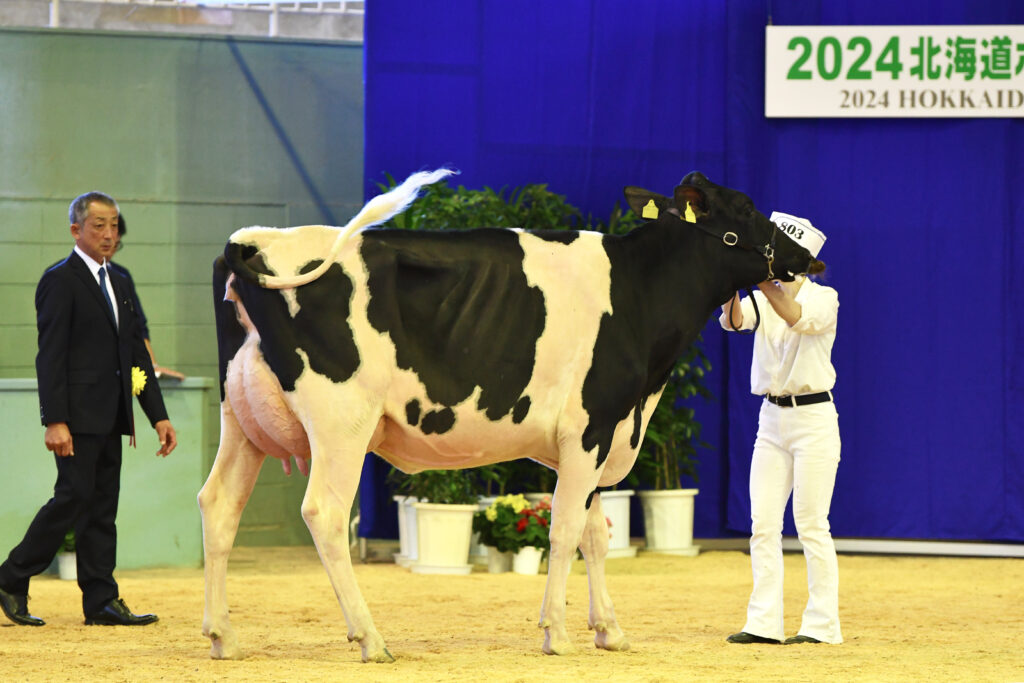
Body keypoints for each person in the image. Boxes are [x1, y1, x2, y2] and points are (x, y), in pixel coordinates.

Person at [0, 192, 178, 627]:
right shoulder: (60, 280)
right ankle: (11, 577)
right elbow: (51, 356)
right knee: (73, 498)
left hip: (113, 415)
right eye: (98, 225)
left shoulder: (119, 280)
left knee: (102, 505)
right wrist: (54, 419)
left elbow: (135, 356)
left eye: (114, 225)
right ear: (76, 230)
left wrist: (157, 413)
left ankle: (100, 599)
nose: (108, 234)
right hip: (76, 418)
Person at [720, 211, 842, 646]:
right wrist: (733, 281)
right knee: (763, 523)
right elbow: (734, 321)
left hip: (814, 420)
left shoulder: (823, 298)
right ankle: (763, 623)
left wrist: (761, 282)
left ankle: (821, 625)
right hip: (771, 419)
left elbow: (795, 315)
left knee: (811, 523)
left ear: (802, 258)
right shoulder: (761, 298)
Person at [110, 214, 185, 381]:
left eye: (116, 245)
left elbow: (137, 324)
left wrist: (152, 366)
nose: (110, 248)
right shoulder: (66, 275)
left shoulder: (121, 275)